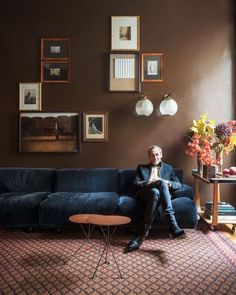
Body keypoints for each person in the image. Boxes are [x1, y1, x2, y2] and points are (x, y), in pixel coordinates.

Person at [128, 145, 185, 251]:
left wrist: (169, 183)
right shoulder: (141, 168)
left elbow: (179, 184)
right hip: (145, 193)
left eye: (157, 154)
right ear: (149, 157)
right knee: (157, 185)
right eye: (152, 155)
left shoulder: (168, 168)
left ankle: (140, 237)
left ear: (161, 155)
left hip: (158, 195)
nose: (155, 157)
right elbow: (136, 183)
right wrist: (150, 182)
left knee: (156, 192)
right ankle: (172, 225)